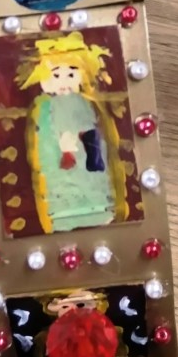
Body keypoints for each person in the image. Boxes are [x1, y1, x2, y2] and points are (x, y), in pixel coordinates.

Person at [16, 32, 126, 233]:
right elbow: (43, 142)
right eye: (56, 75)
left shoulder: (85, 103)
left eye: (71, 75)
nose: (64, 81)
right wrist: (60, 148)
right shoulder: (44, 108)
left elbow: (95, 133)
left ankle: (98, 210)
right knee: (62, 186)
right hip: (59, 172)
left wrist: (89, 150)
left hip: (88, 167)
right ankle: (65, 214)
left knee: (91, 182)